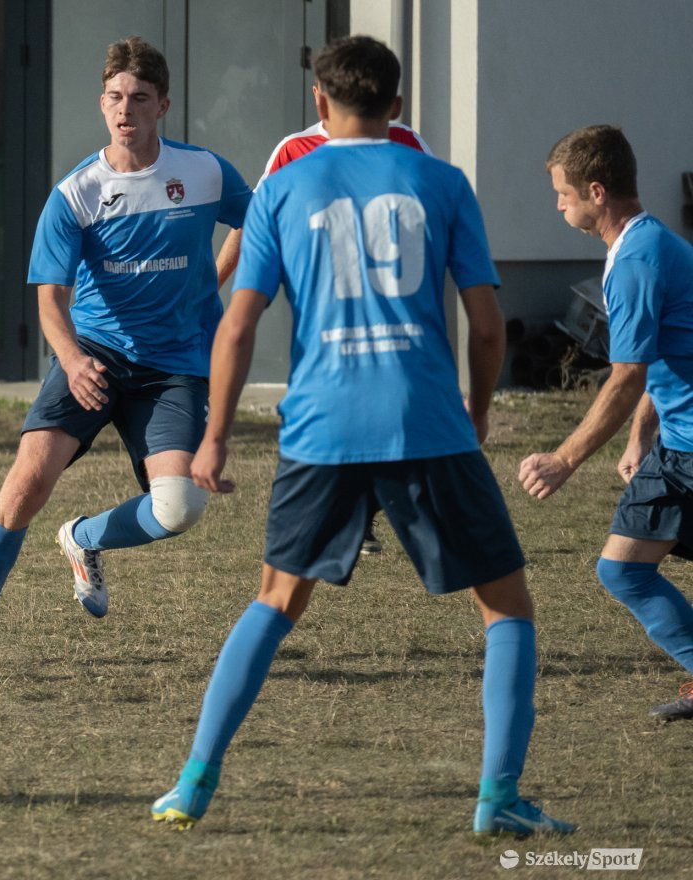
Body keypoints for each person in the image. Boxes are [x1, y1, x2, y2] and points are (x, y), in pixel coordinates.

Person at [150, 36, 573, 836]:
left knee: (275, 601)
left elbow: (237, 327)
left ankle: (192, 784)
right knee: (507, 607)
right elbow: (487, 328)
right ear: (399, 107)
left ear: (319, 105)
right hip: (426, 422)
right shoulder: (443, 183)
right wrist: (476, 411)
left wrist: (213, 438)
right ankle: (499, 799)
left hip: (320, 429)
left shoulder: (282, 188)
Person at [0, 36, 252, 667]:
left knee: (180, 505)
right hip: (96, 357)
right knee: (26, 482)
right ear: (101, 103)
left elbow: (259, 221)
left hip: (176, 367)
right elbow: (49, 299)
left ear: (164, 104)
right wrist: (74, 360)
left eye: (139, 97)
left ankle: (83, 538)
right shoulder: (77, 193)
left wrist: (213, 283)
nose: (125, 109)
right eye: (114, 97)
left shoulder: (205, 172)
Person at [520, 125, 693, 722]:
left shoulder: (638, 261)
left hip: (690, 448)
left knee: (624, 569)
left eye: (563, 195)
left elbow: (627, 374)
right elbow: (669, 354)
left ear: (597, 192)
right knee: (630, 566)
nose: (558, 205)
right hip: (679, 440)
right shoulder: (648, 246)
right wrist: (641, 434)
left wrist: (563, 460)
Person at [219, 84, 435, 557]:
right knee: (327, 417)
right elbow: (255, 223)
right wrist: (212, 283)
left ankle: (361, 518)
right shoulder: (294, 150)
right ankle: (318, 527)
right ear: (318, 95)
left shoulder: (409, 144)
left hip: (390, 319)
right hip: (326, 324)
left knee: (386, 416)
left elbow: (432, 224)